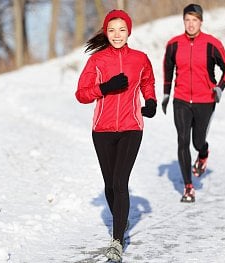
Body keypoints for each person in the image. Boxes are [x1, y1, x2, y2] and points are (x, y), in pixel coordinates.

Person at [75, 9, 156, 262]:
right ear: (106, 32)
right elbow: (81, 93)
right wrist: (105, 87)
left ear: (129, 31)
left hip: (132, 127)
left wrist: (150, 101)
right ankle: (121, 218)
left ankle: (117, 240)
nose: (117, 34)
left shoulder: (140, 59)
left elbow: (147, 82)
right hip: (102, 130)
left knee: (120, 183)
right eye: (111, 30)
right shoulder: (97, 61)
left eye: (121, 29)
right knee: (110, 186)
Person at [162, 3, 225, 203]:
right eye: (187, 20)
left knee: (197, 142)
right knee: (183, 140)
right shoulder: (174, 44)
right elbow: (168, 70)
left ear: (201, 21)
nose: (191, 24)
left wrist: (220, 87)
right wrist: (167, 94)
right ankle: (188, 187)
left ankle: (203, 153)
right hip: (182, 99)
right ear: (183, 21)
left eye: (194, 20)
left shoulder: (212, 44)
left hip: (205, 100)